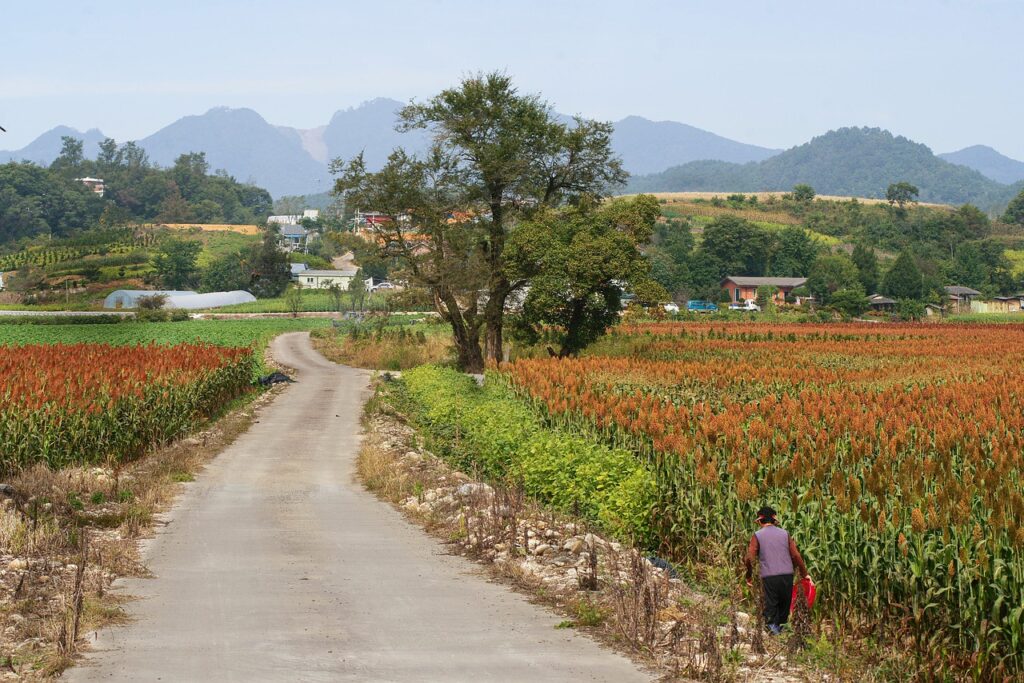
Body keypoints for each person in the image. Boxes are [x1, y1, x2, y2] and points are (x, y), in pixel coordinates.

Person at [743, 506, 810, 635]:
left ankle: (774, 636)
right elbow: (796, 556)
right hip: (787, 575)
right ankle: (783, 636)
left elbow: (749, 558)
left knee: (771, 608)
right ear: (774, 520)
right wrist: (804, 574)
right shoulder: (785, 534)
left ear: (760, 521)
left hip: (769, 577)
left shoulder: (757, 535)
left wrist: (749, 575)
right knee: (784, 609)